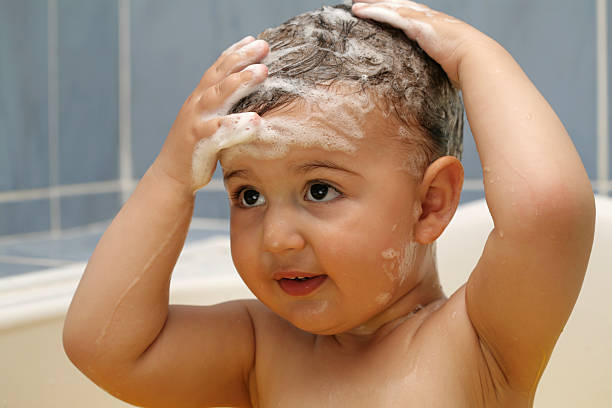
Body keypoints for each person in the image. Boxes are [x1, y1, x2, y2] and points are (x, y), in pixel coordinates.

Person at [63, 2, 595, 407]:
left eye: (319, 190)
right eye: (248, 195)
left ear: (429, 204)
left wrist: (476, 55)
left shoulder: (476, 344)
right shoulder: (259, 350)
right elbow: (101, 345)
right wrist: (172, 174)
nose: (277, 238)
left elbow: (547, 212)